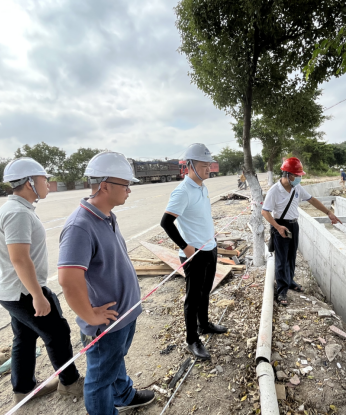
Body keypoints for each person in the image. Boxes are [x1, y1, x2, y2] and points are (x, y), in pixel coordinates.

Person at [58, 152, 154, 415]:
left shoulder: (107, 215)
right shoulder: (80, 226)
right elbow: (68, 279)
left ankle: (123, 395)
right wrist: (89, 315)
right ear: (104, 185)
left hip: (122, 316)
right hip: (105, 324)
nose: (129, 191)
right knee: (99, 381)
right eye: (125, 185)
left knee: (114, 362)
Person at [0, 158, 83, 405]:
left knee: (24, 336)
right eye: (44, 179)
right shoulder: (17, 213)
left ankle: (24, 389)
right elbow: (20, 259)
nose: (48, 184)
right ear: (30, 182)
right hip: (23, 292)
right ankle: (70, 383)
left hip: (13, 290)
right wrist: (38, 296)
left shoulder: (18, 208)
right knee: (58, 332)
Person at [160, 143, 228, 361]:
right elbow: (166, 223)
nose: (209, 168)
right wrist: (186, 248)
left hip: (210, 248)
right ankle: (192, 340)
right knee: (193, 297)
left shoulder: (202, 187)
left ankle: (204, 325)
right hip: (194, 253)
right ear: (189, 166)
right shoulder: (182, 191)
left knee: (205, 291)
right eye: (204, 165)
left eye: (209, 164)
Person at [262, 158, 343, 306]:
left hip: (294, 225)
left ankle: (290, 281)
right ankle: (282, 291)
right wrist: (278, 227)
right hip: (280, 225)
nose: (299, 178)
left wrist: (328, 213)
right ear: (287, 175)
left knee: (291, 256)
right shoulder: (274, 190)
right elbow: (265, 211)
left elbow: (312, 200)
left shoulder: (296, 188)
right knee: (281, 259)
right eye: (297, 175)